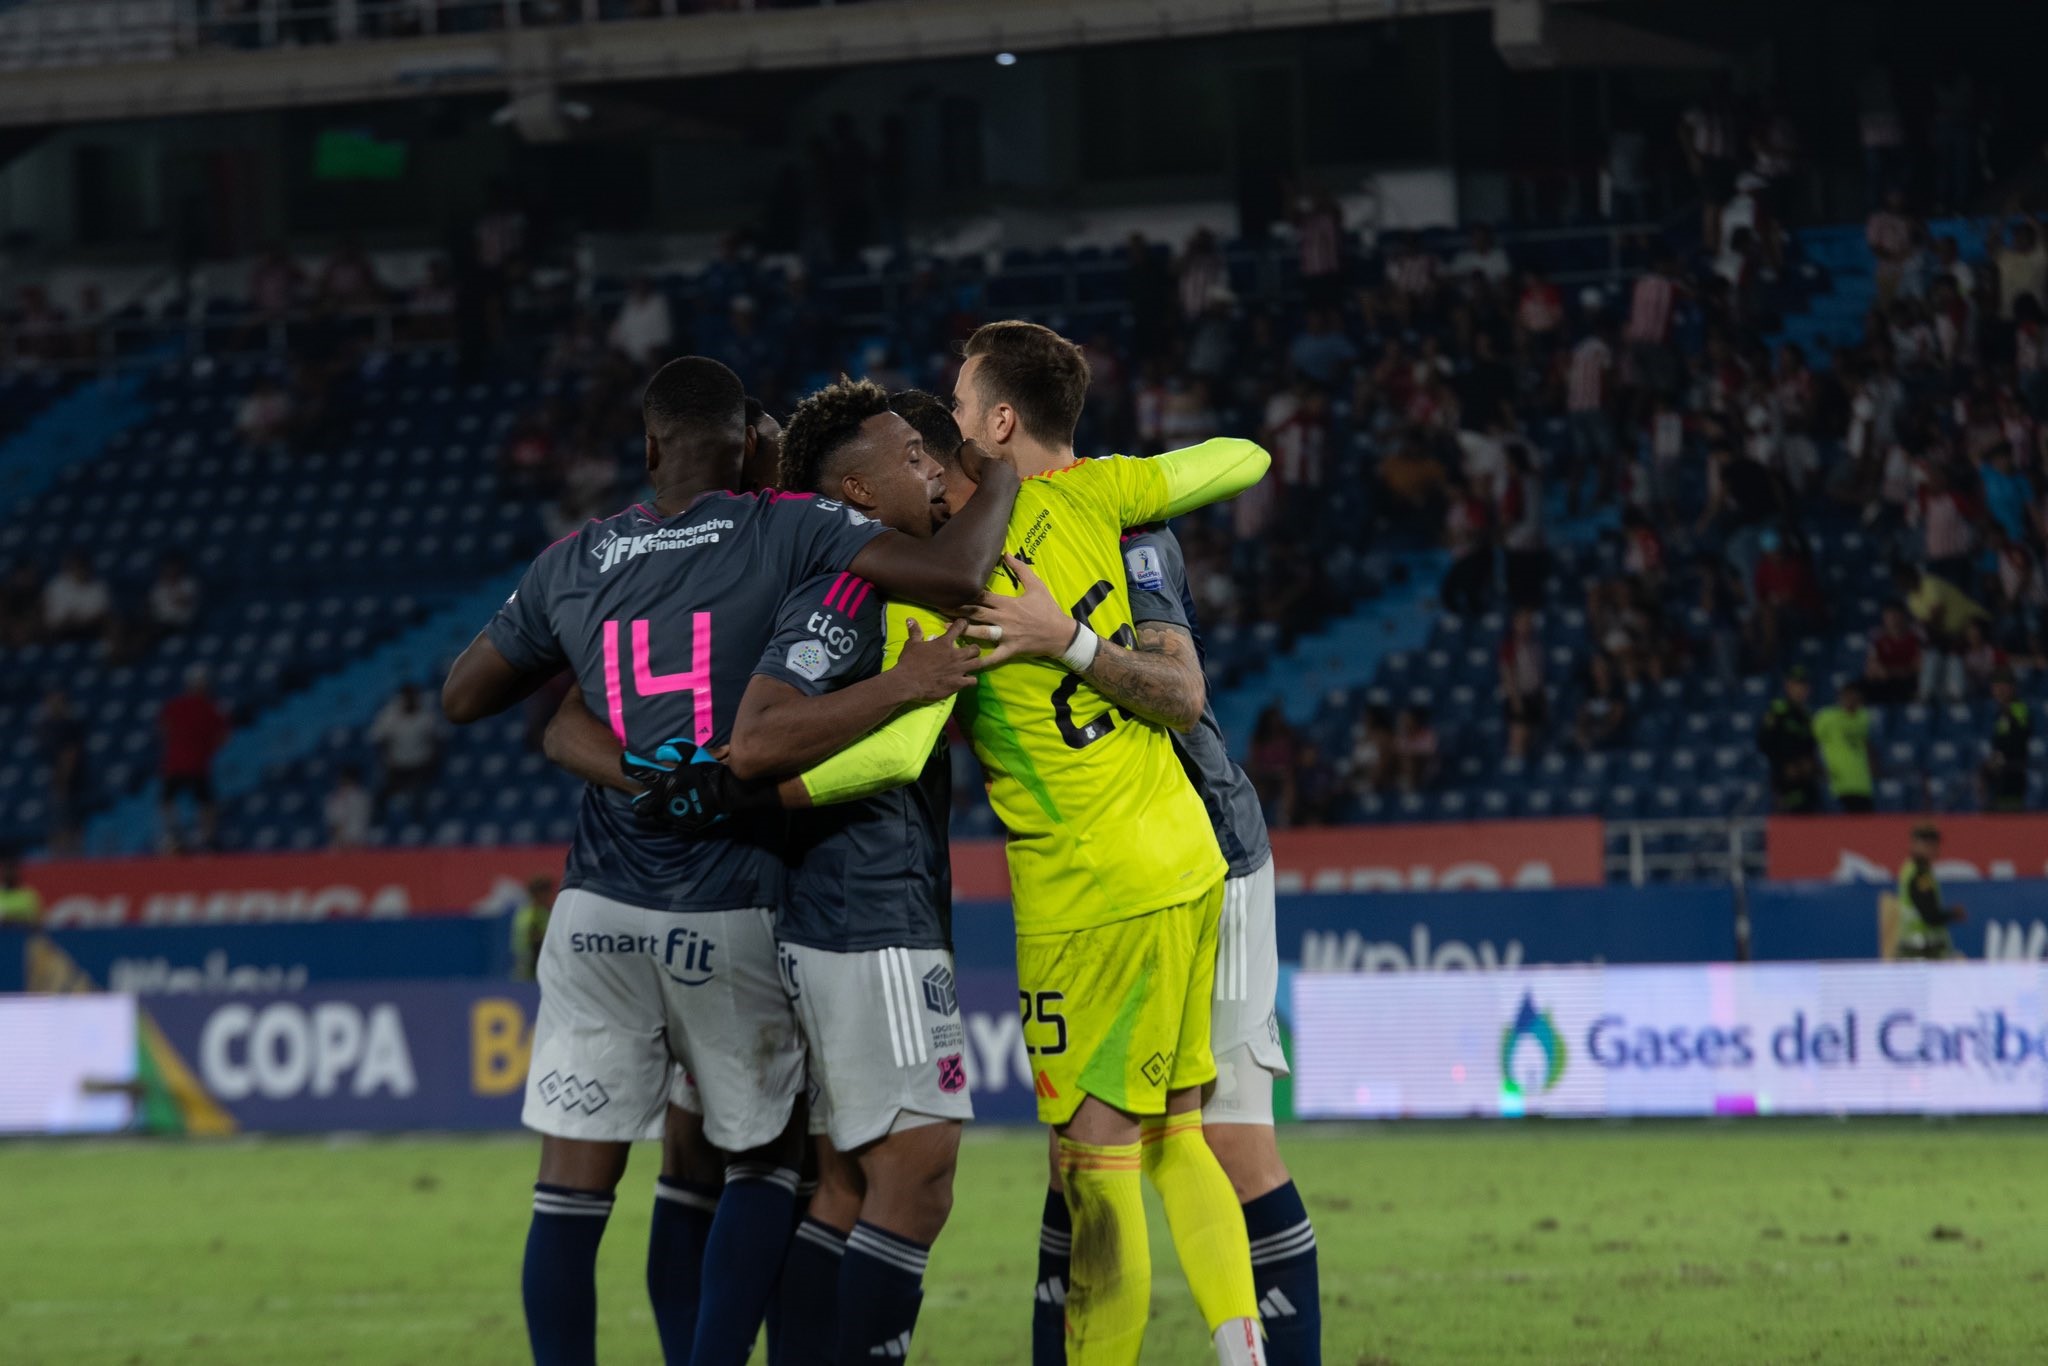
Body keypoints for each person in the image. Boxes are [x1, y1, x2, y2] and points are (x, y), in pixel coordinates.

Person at [439, 355, 1023, 1366]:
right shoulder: (788, 531)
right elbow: (953, 574)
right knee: (766, 1166)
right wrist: (1007, 467)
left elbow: (489, 706)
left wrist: (649, 775)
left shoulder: (583, 555)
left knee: (575, 1188)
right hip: (727, 898)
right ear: (757, 452)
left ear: (653, 444)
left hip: (595, 907)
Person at [159, 666, 229, 853]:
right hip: (193, 764)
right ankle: (200, 839)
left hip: (183, 763)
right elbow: (223, 736)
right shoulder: (209, 707)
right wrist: (209, 748)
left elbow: (164, 729)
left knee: (174, 800)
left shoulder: (187, 706)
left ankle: (183, 837)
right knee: (202, 802)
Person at [368, 683, 444, 821]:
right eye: (406, 698)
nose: (409, 701)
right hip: (397, 766)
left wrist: (432, 762)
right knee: (379, 792)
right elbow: (378, 739)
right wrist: (387, 759)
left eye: (412, 697)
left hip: (420, 765)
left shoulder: (426, 716)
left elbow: (436, 740)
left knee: (418, 796)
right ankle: (378, 821)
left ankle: (420, 824)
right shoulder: (390, 715)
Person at [1895, 824, 1966, 959]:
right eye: (1927, 844)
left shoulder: (1911, 869)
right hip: (1921, 950)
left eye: (1934, 844)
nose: (1932, 849)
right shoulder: (1920, 875)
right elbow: (1930, 915)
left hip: (1914, 949)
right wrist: (1953, 914)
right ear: (1915, 845)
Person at [1758, 667, 1820, 813]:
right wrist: (1784, 765)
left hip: (1807, 780)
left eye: (1803, 685)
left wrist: (1811, 764)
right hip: (1785, 779)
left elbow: (1811, 746)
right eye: (1796, 685)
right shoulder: (1778, 711)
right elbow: (1764, 742)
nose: (1800, 690)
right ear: (1787, 686)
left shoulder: (1808, 716)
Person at [1812, 681, 1875, 814]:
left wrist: (1873, 766)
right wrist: (1817, 768)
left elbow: (1866, 743)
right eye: (1847, 696)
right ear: (1840, 697)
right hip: (1838, 785)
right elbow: (1810, 743)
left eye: (1855, 697)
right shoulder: (1826, 718)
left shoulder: (1863, 717)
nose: (1851, 700)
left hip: (1863, 785)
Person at [1982, 667, 2032, 813]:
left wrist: (2003, 756)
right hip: (2000, 774)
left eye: (2002, 686)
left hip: (2014, 769)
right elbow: (2000, 739)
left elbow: (2022, 734)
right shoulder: (1999, 711)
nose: (1998, 690)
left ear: (2011, 688)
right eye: (1995, 686)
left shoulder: (2018, 707)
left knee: (2011, 815)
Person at [1500, 609, 1546, 761]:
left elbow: (1539, 672)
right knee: (1519, 738)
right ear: (1515, 624)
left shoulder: (1535, 644)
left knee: (1535, 737)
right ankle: (1515, 771)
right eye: (1523, 622)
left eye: (1529, 622)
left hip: (1535, 695)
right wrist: (1515, 700)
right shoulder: (1510, 646)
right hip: (1519, 697)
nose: (1527, 625)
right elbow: (1507, 675)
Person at [1863, 602, 1924, 705]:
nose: (1893, 620)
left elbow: (1919, 666)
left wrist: (1896, 671)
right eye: (1888, 616)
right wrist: (1886, 671)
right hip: (1886, 680)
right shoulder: (1876, 636)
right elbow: (1871, 668)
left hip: (1910, 680)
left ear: (1903, 616)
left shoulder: (1917, 633)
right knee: (1867, 684)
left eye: (1896, 615)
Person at [42, 552, 111, 641]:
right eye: (75, 568)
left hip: (90, 629)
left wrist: (78, 620)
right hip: (60, 631)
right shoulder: (57, 586)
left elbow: (101, 614)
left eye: (81, 568)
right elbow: (51, 616)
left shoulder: (99, 587)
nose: (79, 571)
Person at [511, 875, 554, 982]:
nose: (551, 896)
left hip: (532, 962)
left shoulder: (527, 911)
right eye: (548, 892)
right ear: (538, 893)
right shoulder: (534, 913)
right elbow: (532, 937)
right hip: (530, 963)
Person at [323, 764, 373, 848]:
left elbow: (337, 823)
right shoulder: (364, 796)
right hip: (361, 842)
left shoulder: (339, 796)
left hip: (344, 843)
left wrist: (340, 843)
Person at [0, 854, 40, 927]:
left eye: (12, 870)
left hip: (22, 935)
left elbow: (36, 921)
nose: (10, 874)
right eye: (7, 870)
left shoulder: (28, 894)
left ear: (17, 873)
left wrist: (11, 918)